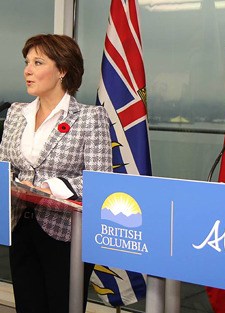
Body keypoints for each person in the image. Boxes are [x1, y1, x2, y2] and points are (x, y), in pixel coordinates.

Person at [0, 34, 112, 313]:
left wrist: (54, 186)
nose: (27, 70)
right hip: (20, 226)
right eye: (27, 62)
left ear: (62, 70)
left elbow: (101, 180)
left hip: (65, 234)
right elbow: (5, 165)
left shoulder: (89, 118)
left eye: (38, 62)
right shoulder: (16, 113)